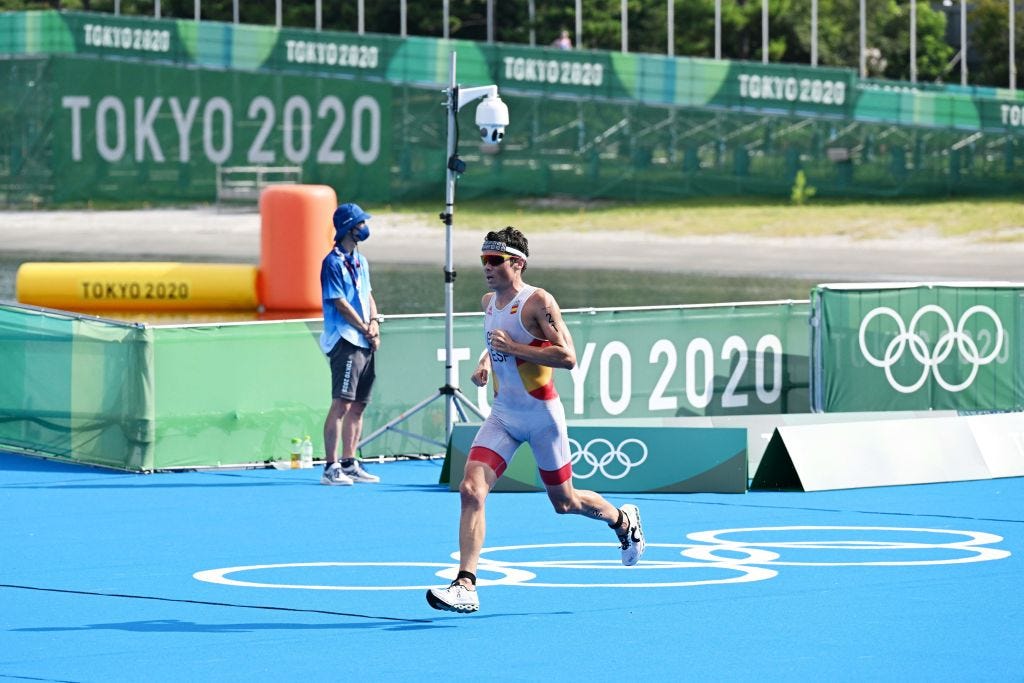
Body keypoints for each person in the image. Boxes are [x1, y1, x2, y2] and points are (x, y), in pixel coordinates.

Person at [426, 226, 645, 613]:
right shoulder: (488, 301)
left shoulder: (538, 301)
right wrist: (484, 362)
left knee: (564, 502)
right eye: (483, 260)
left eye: (495, 260)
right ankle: (466, 584)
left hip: (542, 417)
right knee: (470, 490)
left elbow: (567, 357)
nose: (487, 268)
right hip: (503, 416)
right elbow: (495, 341)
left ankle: (622, 521)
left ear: (518, 263)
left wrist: (513, 348)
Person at [319, 202, 383, 486]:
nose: (364, 227)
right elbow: (340, 303)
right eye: (360, 223)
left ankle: (349, 460)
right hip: (345, 340)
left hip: (364, 339)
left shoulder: (362, 260)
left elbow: (367, 295)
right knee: (342, 404)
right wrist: (363, 328)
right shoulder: (332, 262)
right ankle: (330, 467)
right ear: (349, 227)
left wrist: (375, 325)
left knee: (359, 405)